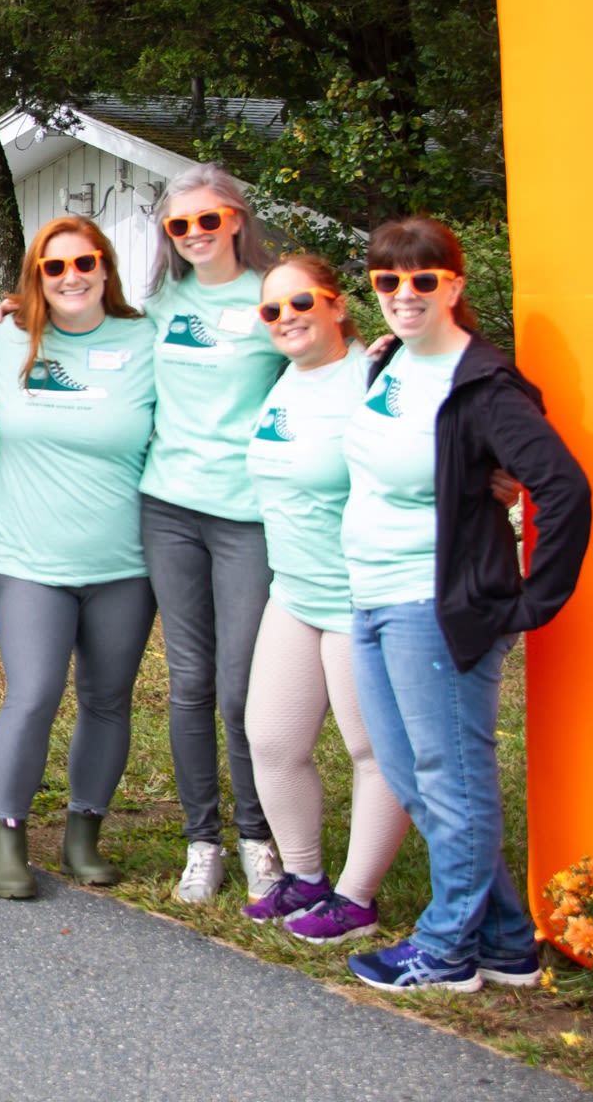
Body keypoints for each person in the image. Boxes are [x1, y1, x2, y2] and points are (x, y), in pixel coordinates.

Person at [341, 218, 589, 993]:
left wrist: (531, 601)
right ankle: (509, 939)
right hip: (372, 596)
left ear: (454, 285)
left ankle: (447, 948)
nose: (404, 295)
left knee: (450, 775)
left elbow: (563, 487)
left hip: (437, 606)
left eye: (423, 280)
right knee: (415, 778)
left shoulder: (482, 385)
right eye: (389, 281)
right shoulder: (387, 363)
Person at [0, 217, 157, 901]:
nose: (71, 276)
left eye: (85, 263)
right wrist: (19, 464)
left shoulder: (148, 341)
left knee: (108, 700)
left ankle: (84, 836)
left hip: (126, 562)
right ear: (36, 277)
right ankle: (9, 835)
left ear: (106, 269)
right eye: (55, 267)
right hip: (30, 557)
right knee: (33, 696)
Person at [236, 254, 410, 945]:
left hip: (361, 596)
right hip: (295, 590)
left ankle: (356, 897)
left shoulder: (376, 375)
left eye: (301, 303)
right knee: (271, 742)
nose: (286, 319)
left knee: (373, 751)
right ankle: (304, 878)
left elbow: (451, 427)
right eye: (272, 311)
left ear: (338, 306)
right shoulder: (282, 376)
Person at [138, 165, 289, 903]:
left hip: (247, 515)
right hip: (167, 508)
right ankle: (203, 842)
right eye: (179, 225)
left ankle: (259, 837)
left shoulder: (270, 295)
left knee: (241, 688)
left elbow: (326, 358)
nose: (194, 234)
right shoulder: (162, 302)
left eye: (207, 220)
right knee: (190, 682)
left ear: (235, 219)